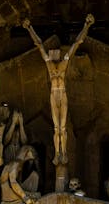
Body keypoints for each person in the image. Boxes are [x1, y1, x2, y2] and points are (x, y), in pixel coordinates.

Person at [23, 15, 95, 165]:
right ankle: (58, 154)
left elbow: (77, 44)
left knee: (63, 128)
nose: (52, 55)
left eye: (54, 54)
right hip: (54, 96)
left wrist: (86, 26)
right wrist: (29, 28)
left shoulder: (63, 66)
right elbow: (39, 45)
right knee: (57, 129)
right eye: (51, 54)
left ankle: (64, 153)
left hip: (62, 95)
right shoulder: (50, 67)